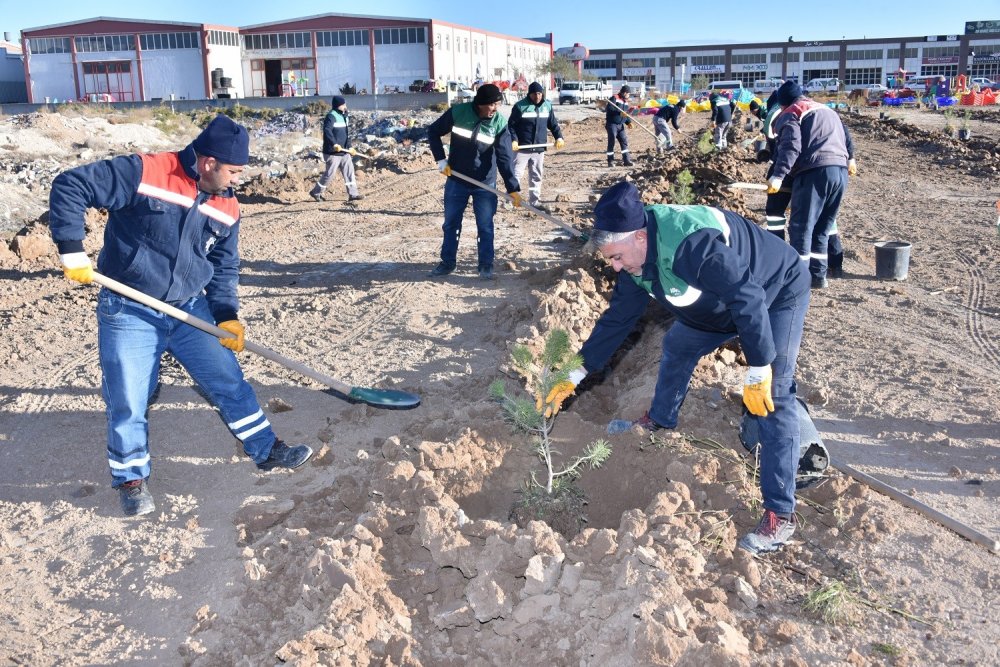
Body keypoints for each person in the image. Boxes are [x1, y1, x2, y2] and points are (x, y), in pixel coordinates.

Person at [48, 115, 314, 517]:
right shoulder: (146, 171)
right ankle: (132, 479)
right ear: (208, 163)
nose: (237, 180)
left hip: (189, 309)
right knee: (129, 396)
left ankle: (266, 449)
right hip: (130, 308)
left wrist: (226, 315)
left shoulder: (227, 206)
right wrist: (71, 248)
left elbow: (224, 266)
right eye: (234, 171)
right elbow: (71, 184)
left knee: (227, 378)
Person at [546, 181, 811, 554]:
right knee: (678, 343)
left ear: (640, 237)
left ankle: (780, 514)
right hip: (719, 307)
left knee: (775, 393)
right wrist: (573, 373)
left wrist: (759, 366)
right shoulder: (634, 261)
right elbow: (616, 321)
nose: (616, 267)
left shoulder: (692, 245)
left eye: (618, 257)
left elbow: (746, 296)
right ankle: (660, 420)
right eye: (610, 260)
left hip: (774, 291)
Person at [426, 83, 522, 280]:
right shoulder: (458, 113)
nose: (495, 109)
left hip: (485, 184)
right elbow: (433, 132)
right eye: (493, 105)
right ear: (481, 103)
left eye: (497, 104)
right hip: (457, 179)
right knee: (451, 223)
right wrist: (441, 160)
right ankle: (447, 262)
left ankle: (485, 265)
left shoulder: (498, 123)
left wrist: (513, 188)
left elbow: (504, 158)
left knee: (485, 225)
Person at [767, 80, 850, 289]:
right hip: (840, 172)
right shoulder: (826, 110)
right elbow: (846, 137)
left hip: (814, 172)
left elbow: (791, 146)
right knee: (822, 228)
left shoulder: (791, 112)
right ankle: (818, 276)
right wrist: (852, 159)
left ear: (782, 103)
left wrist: (778, 175)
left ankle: (798, 281)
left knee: (801, 228)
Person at [508, 81, 565, 210]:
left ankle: (534, 201)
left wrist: (559, 137)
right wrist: (514, 140)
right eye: (534, 94)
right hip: (523, 148)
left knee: (536, 175)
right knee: (516, 174)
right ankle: (511, 200)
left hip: (539, 148)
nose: (537, 96)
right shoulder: (520, 106)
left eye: (539, 93)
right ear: (529, 94)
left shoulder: (547, 106)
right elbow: (511, 126)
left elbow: (553, 124)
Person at [310, 95, 364, 203]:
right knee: (330, 174)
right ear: (338, 105)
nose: (345, 106)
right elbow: (327, 131)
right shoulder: (331, 116)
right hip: (333, 152)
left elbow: (346, 134)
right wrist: (334, 144)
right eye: (343, 104)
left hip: (344, 151)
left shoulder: (345, 116)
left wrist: (350, 147)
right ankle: (316, 192)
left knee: (349, 172)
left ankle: (353, 194)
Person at [605, 85, 634, 167]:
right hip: (612, 124)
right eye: (628, 93)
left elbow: (625, 114)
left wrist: (628, 122)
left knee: (624, 141)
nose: (629, 95)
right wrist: (619, 112)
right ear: (624, 92)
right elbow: (609, 108)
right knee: (612, 141)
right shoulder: (614, 98)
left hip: (620, 125)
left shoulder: (625, 101)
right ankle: (610, 161)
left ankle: (626, 161)